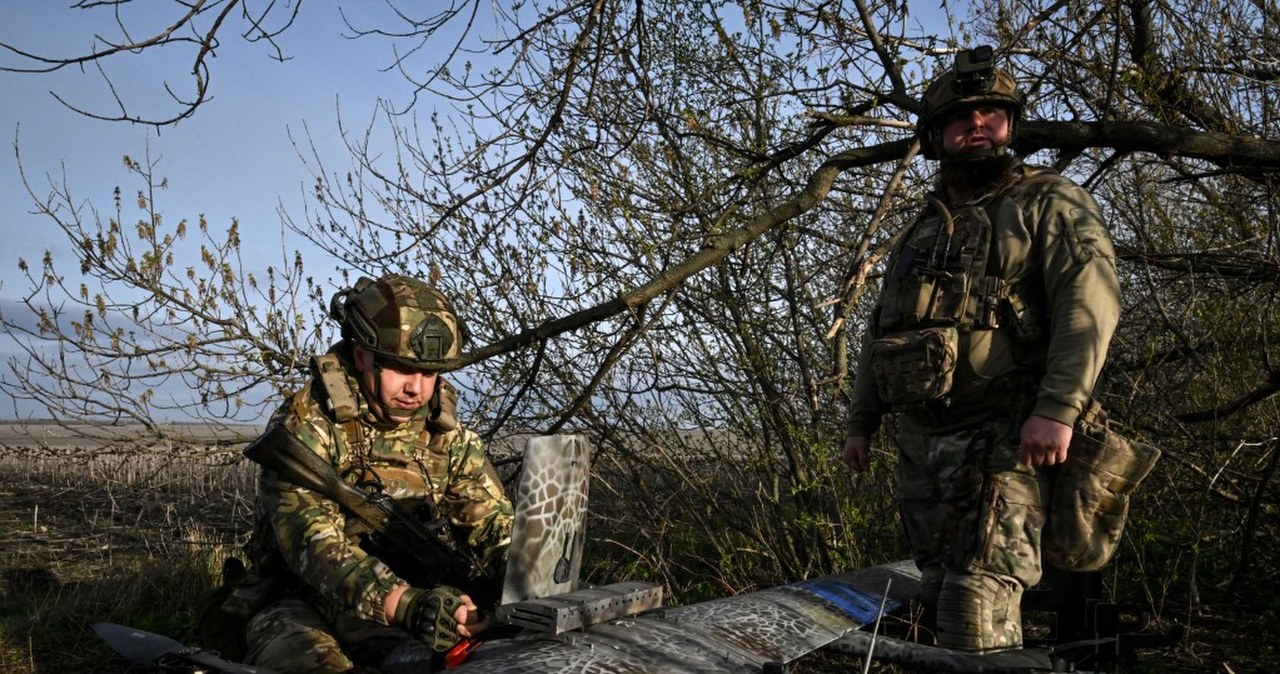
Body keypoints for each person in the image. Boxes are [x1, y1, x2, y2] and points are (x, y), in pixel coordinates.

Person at [841, 46, 1121, 653]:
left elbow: (1089, 306)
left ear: (1010, 125)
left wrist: (1057, 409)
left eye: (993, 112)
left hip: (1006, 438)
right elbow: (882, 328)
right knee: (938, 598)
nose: (978, 123)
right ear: (937, 134)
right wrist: (862, 420)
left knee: (978, 613)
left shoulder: (1049, 202)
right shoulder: (923, 225)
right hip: (923, 448)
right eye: (963, 115)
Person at [238, 274, 514, 673]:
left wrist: (518, 576)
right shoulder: (309, 428)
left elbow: (491, 522)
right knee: (306, 660)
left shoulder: (445, 437)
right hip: (300, 600)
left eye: (429, 372)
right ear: (362, 354)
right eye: (401, 368)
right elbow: (314, 546)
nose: (416, 388)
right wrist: (406, 604)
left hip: (412, 601)